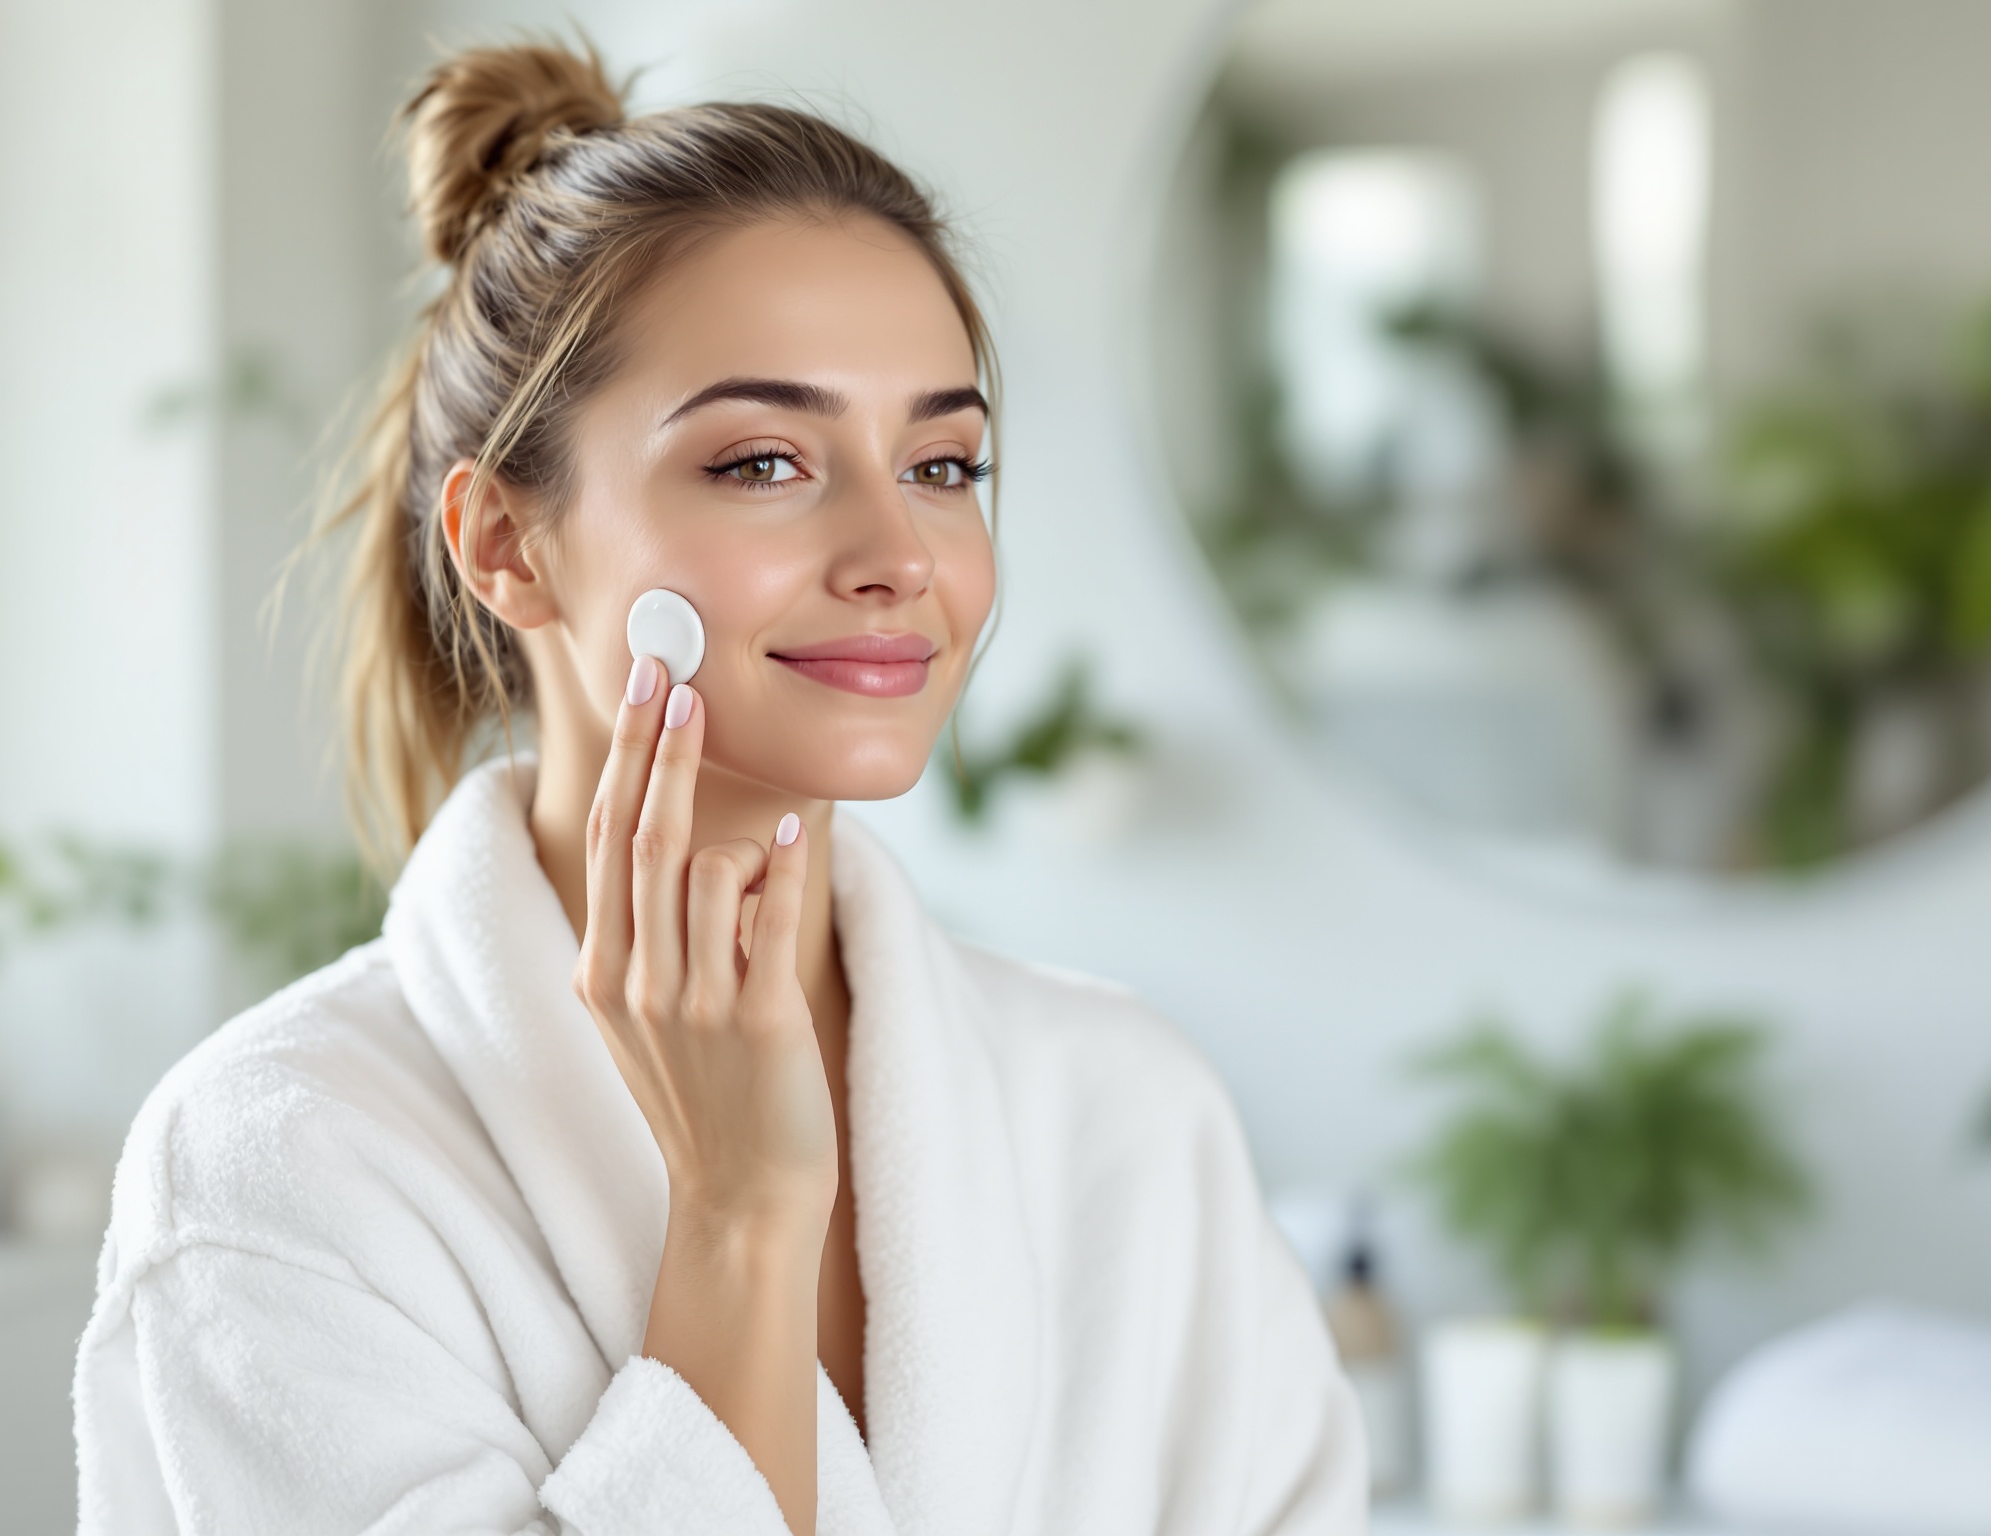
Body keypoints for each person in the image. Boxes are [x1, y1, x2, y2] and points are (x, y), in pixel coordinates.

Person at [69, 39, 1364, 1536]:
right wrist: (741, 1214)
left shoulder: (1126, 1109)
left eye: (943, 466)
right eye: (762, 463)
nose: (899, 555)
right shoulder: (282, 1163)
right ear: (505, 546)